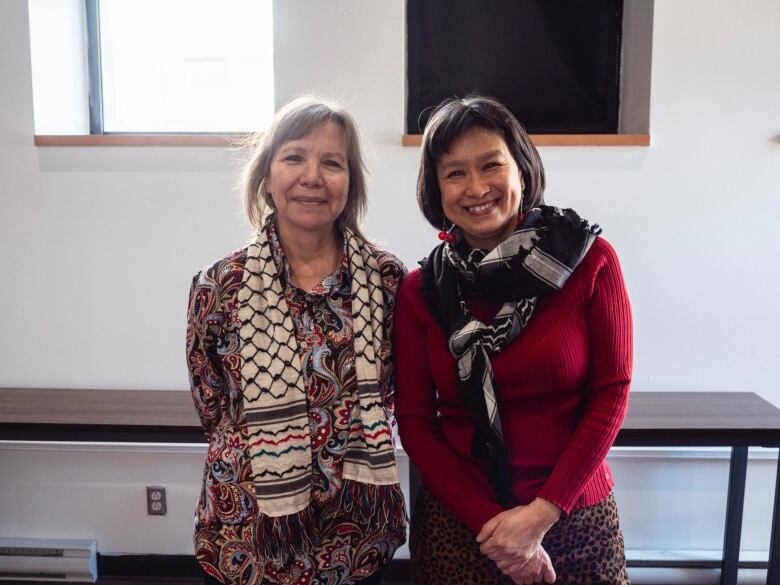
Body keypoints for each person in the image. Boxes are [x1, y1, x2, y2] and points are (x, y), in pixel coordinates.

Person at [395, 96, 633, 585]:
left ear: (521, 170)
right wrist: (493, 527)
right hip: (463, 525)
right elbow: (416, 422)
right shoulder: (421, 290)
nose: (476, 187)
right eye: (455, 173)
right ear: (435, 190)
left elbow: (611, 393)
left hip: (574, 516)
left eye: (491, 165)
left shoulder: (589, 261)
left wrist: (540, 515)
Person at [186, 96, 407, 585]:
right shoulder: (220, 284)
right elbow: (211, 401)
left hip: (355, 535)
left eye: (332, 162)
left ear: (351, 184)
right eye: (294, 157)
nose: (313, 176)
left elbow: (403, 391)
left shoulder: (391, 281)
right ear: (267, 175)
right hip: (247, 533)